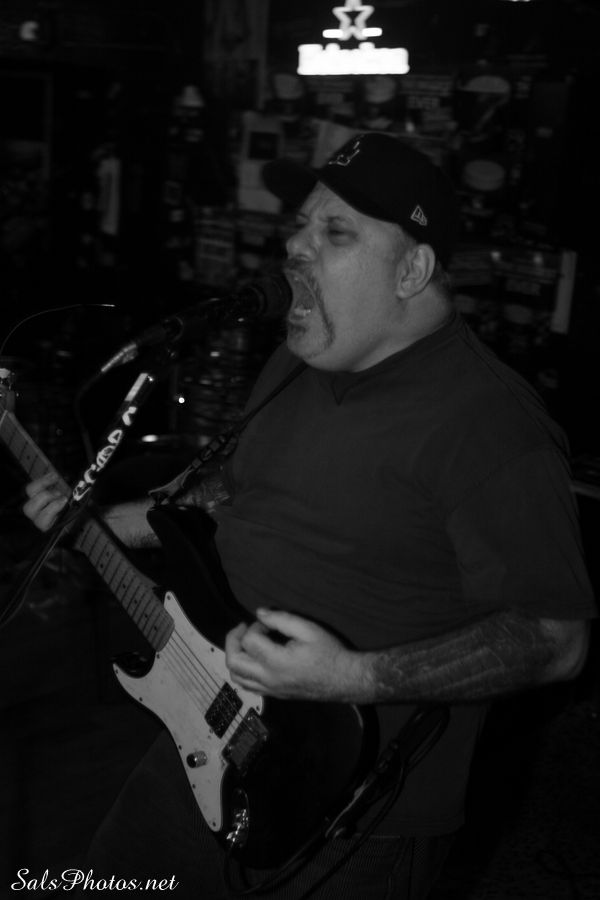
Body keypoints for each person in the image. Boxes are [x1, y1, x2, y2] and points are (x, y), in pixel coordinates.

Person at [23, 132, 595, 899]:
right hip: (204, 727)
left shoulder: (491, 427)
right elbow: (234, 484)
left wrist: (353, 676)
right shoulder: (300, 357)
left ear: (412, 270)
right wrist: (104, 521)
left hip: (353, 814)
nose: (296, 246)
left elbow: (555, 639)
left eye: (337, 232)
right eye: (301, 224)